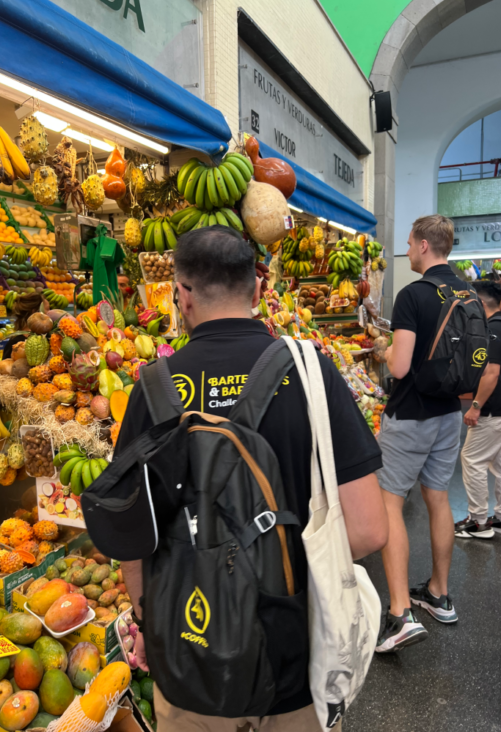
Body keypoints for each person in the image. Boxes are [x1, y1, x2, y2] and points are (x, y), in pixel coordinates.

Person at [115, 226, 388, 732]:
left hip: (190, 659)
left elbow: (131, 535)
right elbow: (371, 529)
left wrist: (153, 619)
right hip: (294, 661)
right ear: (259, 291)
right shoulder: (312, 373)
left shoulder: (151, 390)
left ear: (182, 295)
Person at [375, 214, 466, 654]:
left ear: (425, 246)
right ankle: (439, 594)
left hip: (412, 414)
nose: (407, 250)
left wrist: (386, 345)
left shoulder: (412, 296)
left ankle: (398, 614)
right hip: (450, 411)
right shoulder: (465, 290)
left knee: (390, 503)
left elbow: (399, 367)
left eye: (410, 243)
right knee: (438, 497)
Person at [455, 278, 501, 539]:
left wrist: (475, 406)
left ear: (481, 303)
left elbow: (491, 373)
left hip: (495, 408)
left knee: (471, 459)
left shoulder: (493, 328)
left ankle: (479, 521)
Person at [2, 292, 46, 359]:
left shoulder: (45, 338)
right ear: (34, 312)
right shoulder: (15, 343)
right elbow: (4, 367)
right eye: (47, 309)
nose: (49, 313)